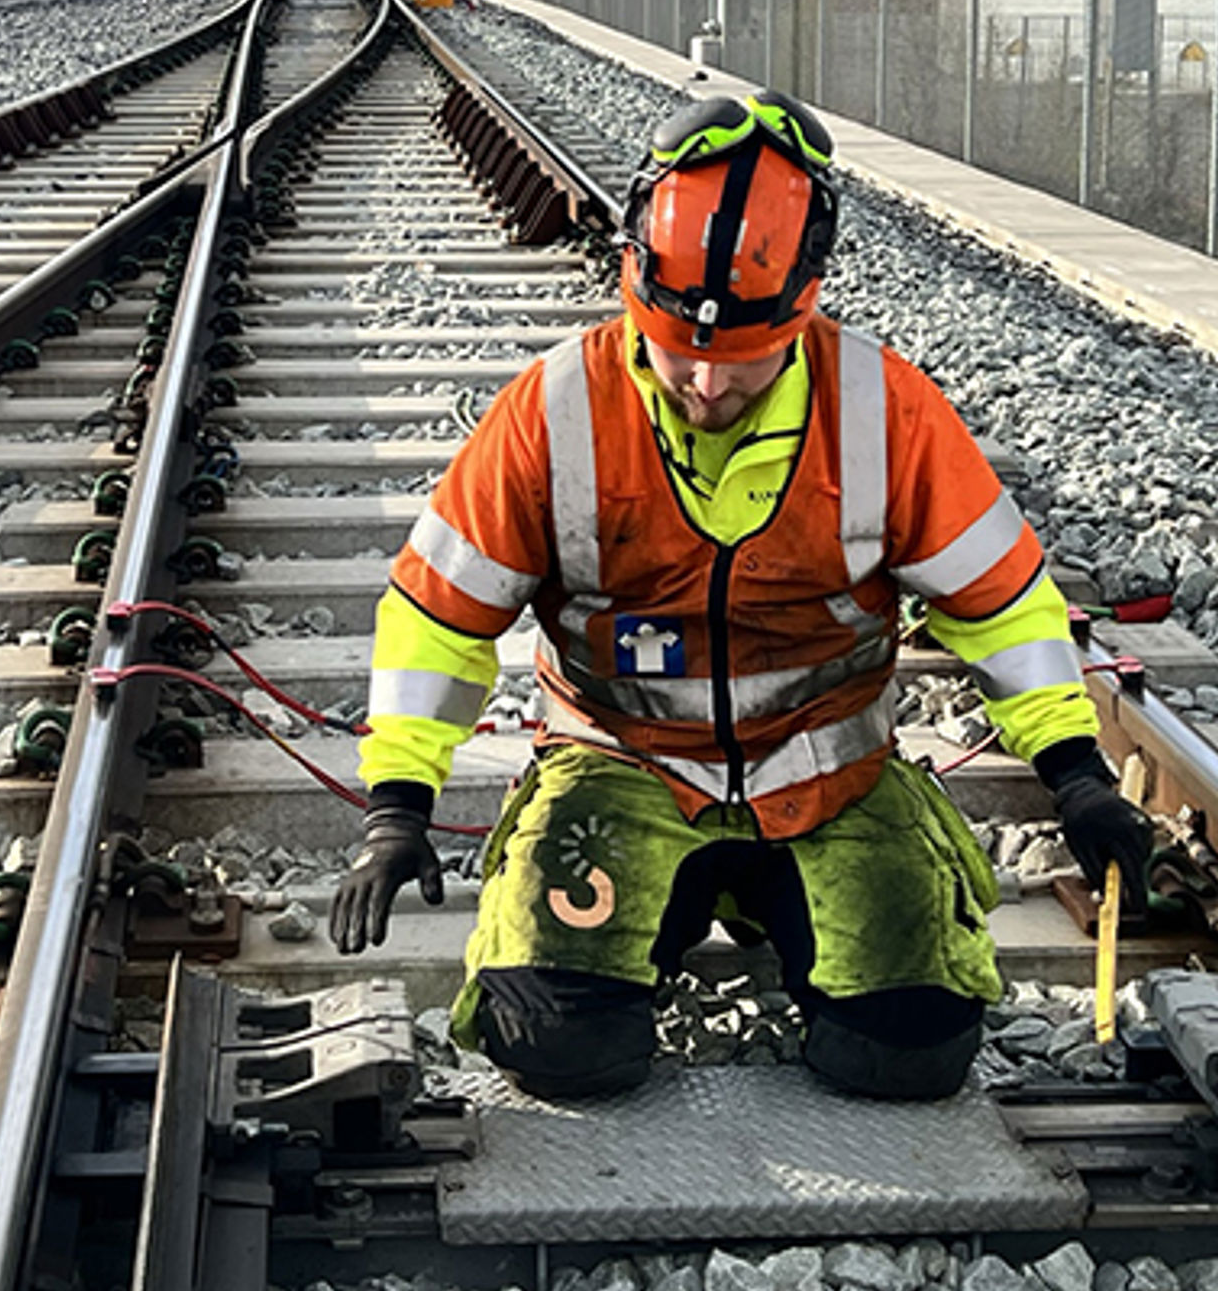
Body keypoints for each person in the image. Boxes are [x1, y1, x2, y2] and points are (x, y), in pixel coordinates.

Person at [329, 90, 1154, 1102]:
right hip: (622, 770)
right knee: (549, 1043)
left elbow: (1003, 605)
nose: (706, 388)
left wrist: (1075, 773)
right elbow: (435, 617)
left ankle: (779, 900)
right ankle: (681, 902)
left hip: (830, 784)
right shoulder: (553, 411)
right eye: (679, 355)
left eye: (742, 366)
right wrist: (396, 806)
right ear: (634, 288)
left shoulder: (884, 411)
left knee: (909, 1053)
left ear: (803, 309)